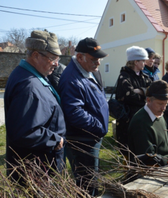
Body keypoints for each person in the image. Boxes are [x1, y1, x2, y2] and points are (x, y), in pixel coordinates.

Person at [4, 30, 66, 183]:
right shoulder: (29, 85)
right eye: (52, 58)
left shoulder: (31, 76)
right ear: (36, 55)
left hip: (38, 166)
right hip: (37, 170)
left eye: (58, 58)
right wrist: (55, 140)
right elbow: (24, 131)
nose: (56, 64)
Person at [58, 37, 109, 196]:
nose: (98, 63)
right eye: (94, 59)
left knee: (93, 177)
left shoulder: (92, 71)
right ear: (80, 57)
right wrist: (99, 126)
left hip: (93, 136)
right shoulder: (71, 79)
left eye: (99, 59)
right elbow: (74, 113)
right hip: (83, 141)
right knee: (87, 184)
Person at [128, 80, 168, 165]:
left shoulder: (158, 114)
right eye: (160, 104)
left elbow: (163, 141)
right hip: (148, 173)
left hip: (164, 166)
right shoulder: (141, 123)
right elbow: (149, 158)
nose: (164, 108)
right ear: (148, 100)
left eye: (166, 104)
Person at [115, 46, 152, 152]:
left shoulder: (144, 77)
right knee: (129, 150)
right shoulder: (124, 76)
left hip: (144, 119)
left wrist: (140, 90)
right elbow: (129, 96)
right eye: (143, 61)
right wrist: (145, 95)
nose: (145, 63)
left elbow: (153, 90)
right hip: (128, 121)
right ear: (136, 61)